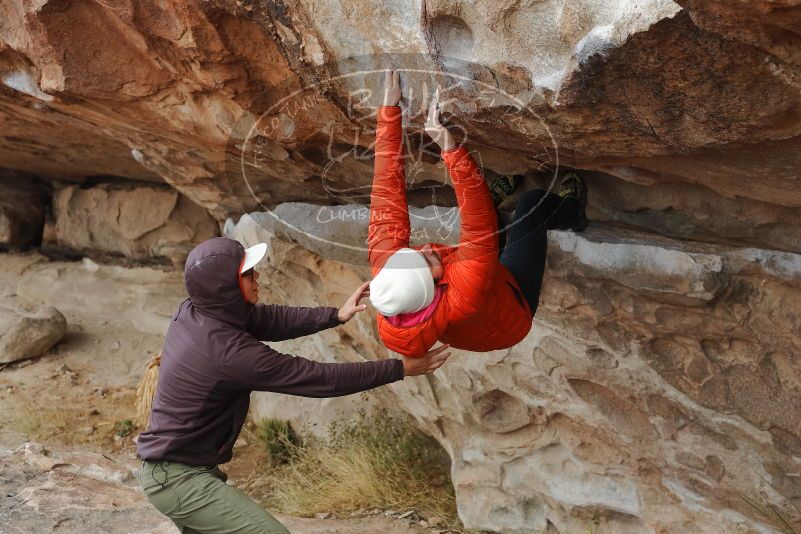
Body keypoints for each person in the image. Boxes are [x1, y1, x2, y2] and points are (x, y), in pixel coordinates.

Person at [136, 236, 450, 534]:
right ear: (227, 289)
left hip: (180, 471)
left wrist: (334, 316)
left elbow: (267, 319)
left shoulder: (196, 312)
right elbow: (319, 378)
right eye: (247, 274)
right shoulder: (229, 354)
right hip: (177, 479)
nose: (257, 276)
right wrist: (400, 368)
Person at [368, 71, 587, 358]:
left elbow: (387, 195)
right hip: (511, 311)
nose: (425, 250)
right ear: (433, 289)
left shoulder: (392, 276)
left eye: (412, 254)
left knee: (483, 229)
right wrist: (449, 148)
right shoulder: (463, 293)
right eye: (425, 261)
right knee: (531, 206)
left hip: (483, 284)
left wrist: (389, 112)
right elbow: (477, 223)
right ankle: (574, 214)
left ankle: (496, 208)